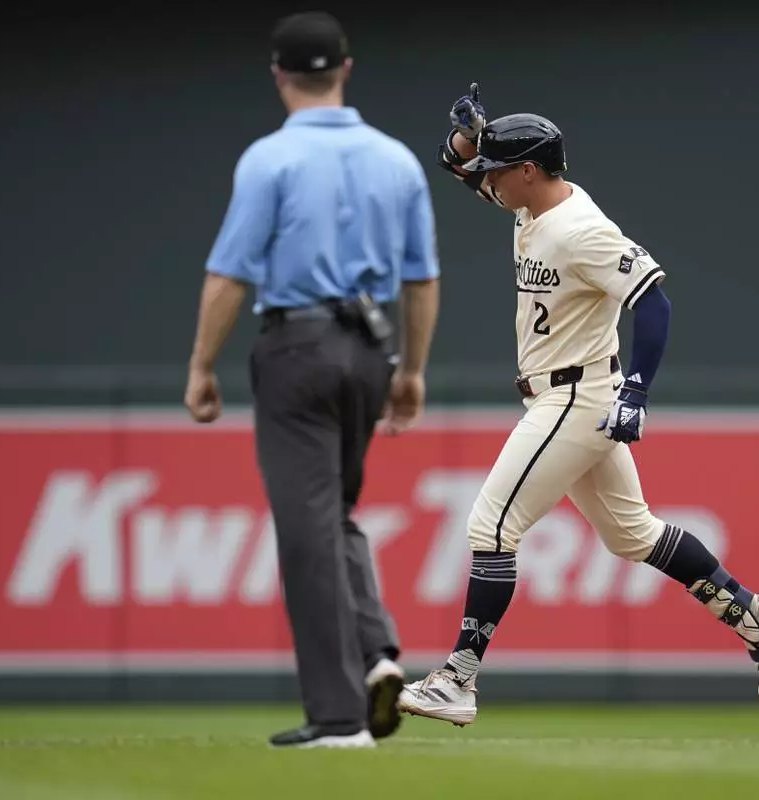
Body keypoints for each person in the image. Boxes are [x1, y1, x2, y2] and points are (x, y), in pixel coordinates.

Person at [395, 84, 759, 727]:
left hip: (577, 395)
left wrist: (637, 389)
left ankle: (458, 678)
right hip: (563, 391)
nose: (489, 181)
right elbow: (464, 169)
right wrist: (471, 139)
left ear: (529, 170)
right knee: (633, 535)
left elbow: (654, 300)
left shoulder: (582, 229)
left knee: (491, 527)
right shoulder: (531, 205)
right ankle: (754, 612)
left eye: (499, 169)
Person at [183, 11, 441, 749]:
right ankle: (376, 654)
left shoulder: (270, 159)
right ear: (346, 70)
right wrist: (411, 371)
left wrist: (202, 365)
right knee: (334, 516)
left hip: (297, 347)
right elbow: (421, 279)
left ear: (279, 75)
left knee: (306, 531)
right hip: (370, 353)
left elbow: (230, 273)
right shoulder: (397, 160)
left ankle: (337, 718)